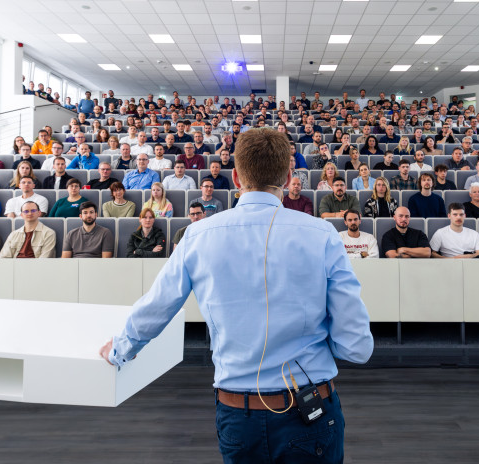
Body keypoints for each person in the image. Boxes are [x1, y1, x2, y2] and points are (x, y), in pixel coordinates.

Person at [99, 128, 372, 463]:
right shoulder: (323, 234)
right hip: (309, 405)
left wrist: (121, 350)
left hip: (238, 413)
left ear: (236, 177)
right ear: (288, 177)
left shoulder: (198, 235)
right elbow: (357, 348)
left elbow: (156, 306)